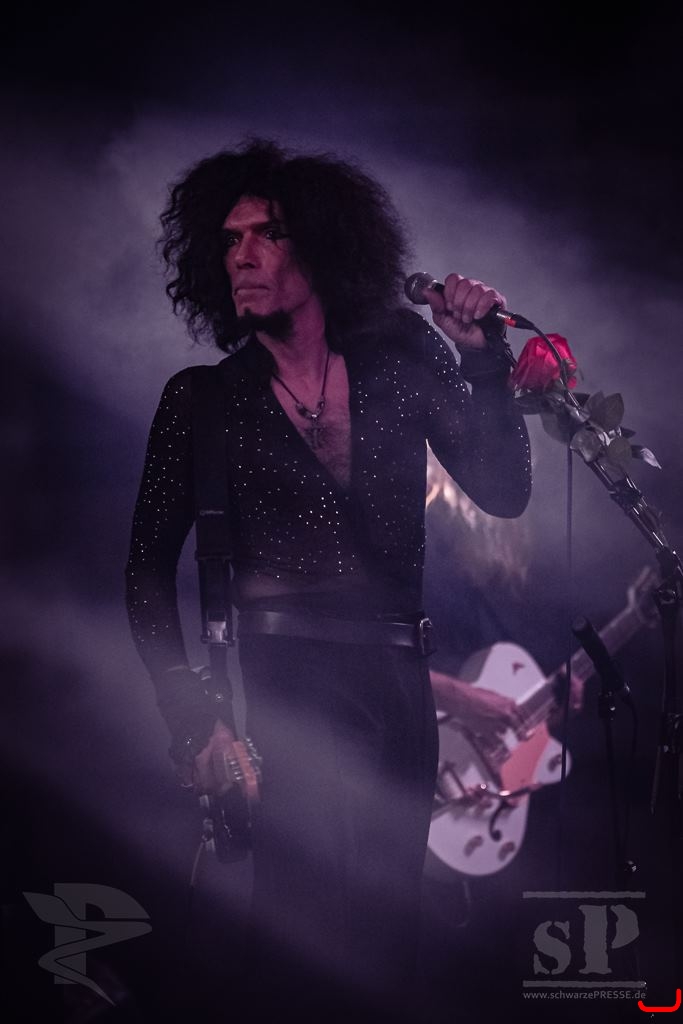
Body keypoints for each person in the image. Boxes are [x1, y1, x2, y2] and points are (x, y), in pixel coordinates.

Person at [124, 139, 531, 1021]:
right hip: (285, 683)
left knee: (390, 940)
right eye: (229, 240)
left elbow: (503, 489)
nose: (242, 256)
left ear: (323, 246)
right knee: (303, 939)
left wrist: (482, 359)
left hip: (396, 682)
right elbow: (146, 577)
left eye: (267, 234)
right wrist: (195, 721)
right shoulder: (202, 400)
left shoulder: (402, 358)